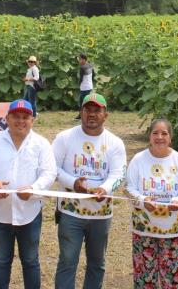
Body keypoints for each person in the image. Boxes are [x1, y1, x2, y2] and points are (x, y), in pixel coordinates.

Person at [0, 99, 57, 289]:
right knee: (1, 261)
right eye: (16, 117)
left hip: (29, 213)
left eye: (25, 117)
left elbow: (49, 173)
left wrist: (34, 189)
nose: (21, 121)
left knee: (30, 261)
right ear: (7, 119)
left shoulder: (41, 144)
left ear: (33, 120)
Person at [54, 92, 127, 289]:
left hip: (100, 214)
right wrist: (73, 182)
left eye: (97, 110)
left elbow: (118, 174)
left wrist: (104, 189)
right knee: (67, 261)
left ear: (106, 115)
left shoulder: (115, 143)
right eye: (87, 110)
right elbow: (53, 168)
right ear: (81, 112)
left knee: (97, 263)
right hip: (71, 212)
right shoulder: (65, 138)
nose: (92, 114)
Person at [125, 118, 178, 289]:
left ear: (170, 137)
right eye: (155, 133)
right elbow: (129, 189)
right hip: (143, 229)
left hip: (172, 230)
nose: (160, 137)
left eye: (164, 133)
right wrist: (142, 201)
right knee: (144, 278)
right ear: (150, 136)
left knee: (173, 279)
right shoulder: (138, 160)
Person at [74, 53, 94, 120]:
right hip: (89, 85)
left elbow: (81, 78)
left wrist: (78, 84)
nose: (79, 61)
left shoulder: (82, 67)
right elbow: (94, 74)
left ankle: (85, 116)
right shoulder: (90, 65)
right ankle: (81, 115)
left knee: (84, 102)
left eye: (80, 59)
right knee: (82, 101)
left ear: (84, 59)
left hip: (84, 87)